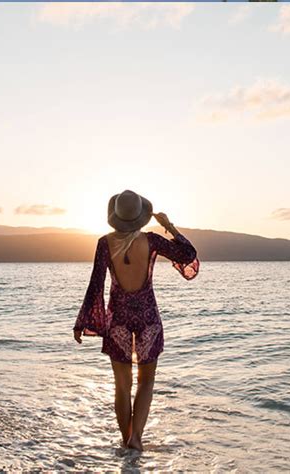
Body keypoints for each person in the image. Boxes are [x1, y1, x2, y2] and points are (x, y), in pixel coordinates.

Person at [73, 189, 199, 451]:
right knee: (146, 381)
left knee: (122, 385)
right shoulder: (152, 241)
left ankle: (125, 440)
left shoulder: (104, 243)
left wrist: (83, 320)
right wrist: (169, 226)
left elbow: (96, 285)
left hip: (118, 318)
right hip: (148, 318)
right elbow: (188, 254)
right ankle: (137, 439)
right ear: (141, 217)